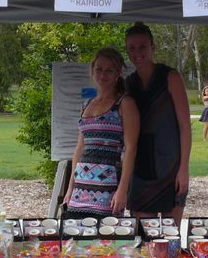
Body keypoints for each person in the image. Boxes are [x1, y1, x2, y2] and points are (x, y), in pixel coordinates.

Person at [124, 22, 192, 222]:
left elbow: (185, 127)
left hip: (170, 164)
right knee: (146, 238)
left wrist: (184, 170)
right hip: (140, 167)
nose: (138, 53)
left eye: (143, 46)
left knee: (170, 238)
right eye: (132, 48)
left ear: (153, 47)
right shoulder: (129, 83)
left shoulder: (170, 77)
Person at [63, 48, 139, 218]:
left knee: (106, 239)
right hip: (80, 184)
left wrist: (122, 190)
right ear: (92, 70)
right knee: (75, 236)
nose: (103, 75)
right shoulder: (86, 103)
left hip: (107, 185)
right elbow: (79, 148)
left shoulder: (124, 104)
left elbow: (131, 148)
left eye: (109, 70)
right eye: (99, 69)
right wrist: (70, 187)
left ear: (117, 73)